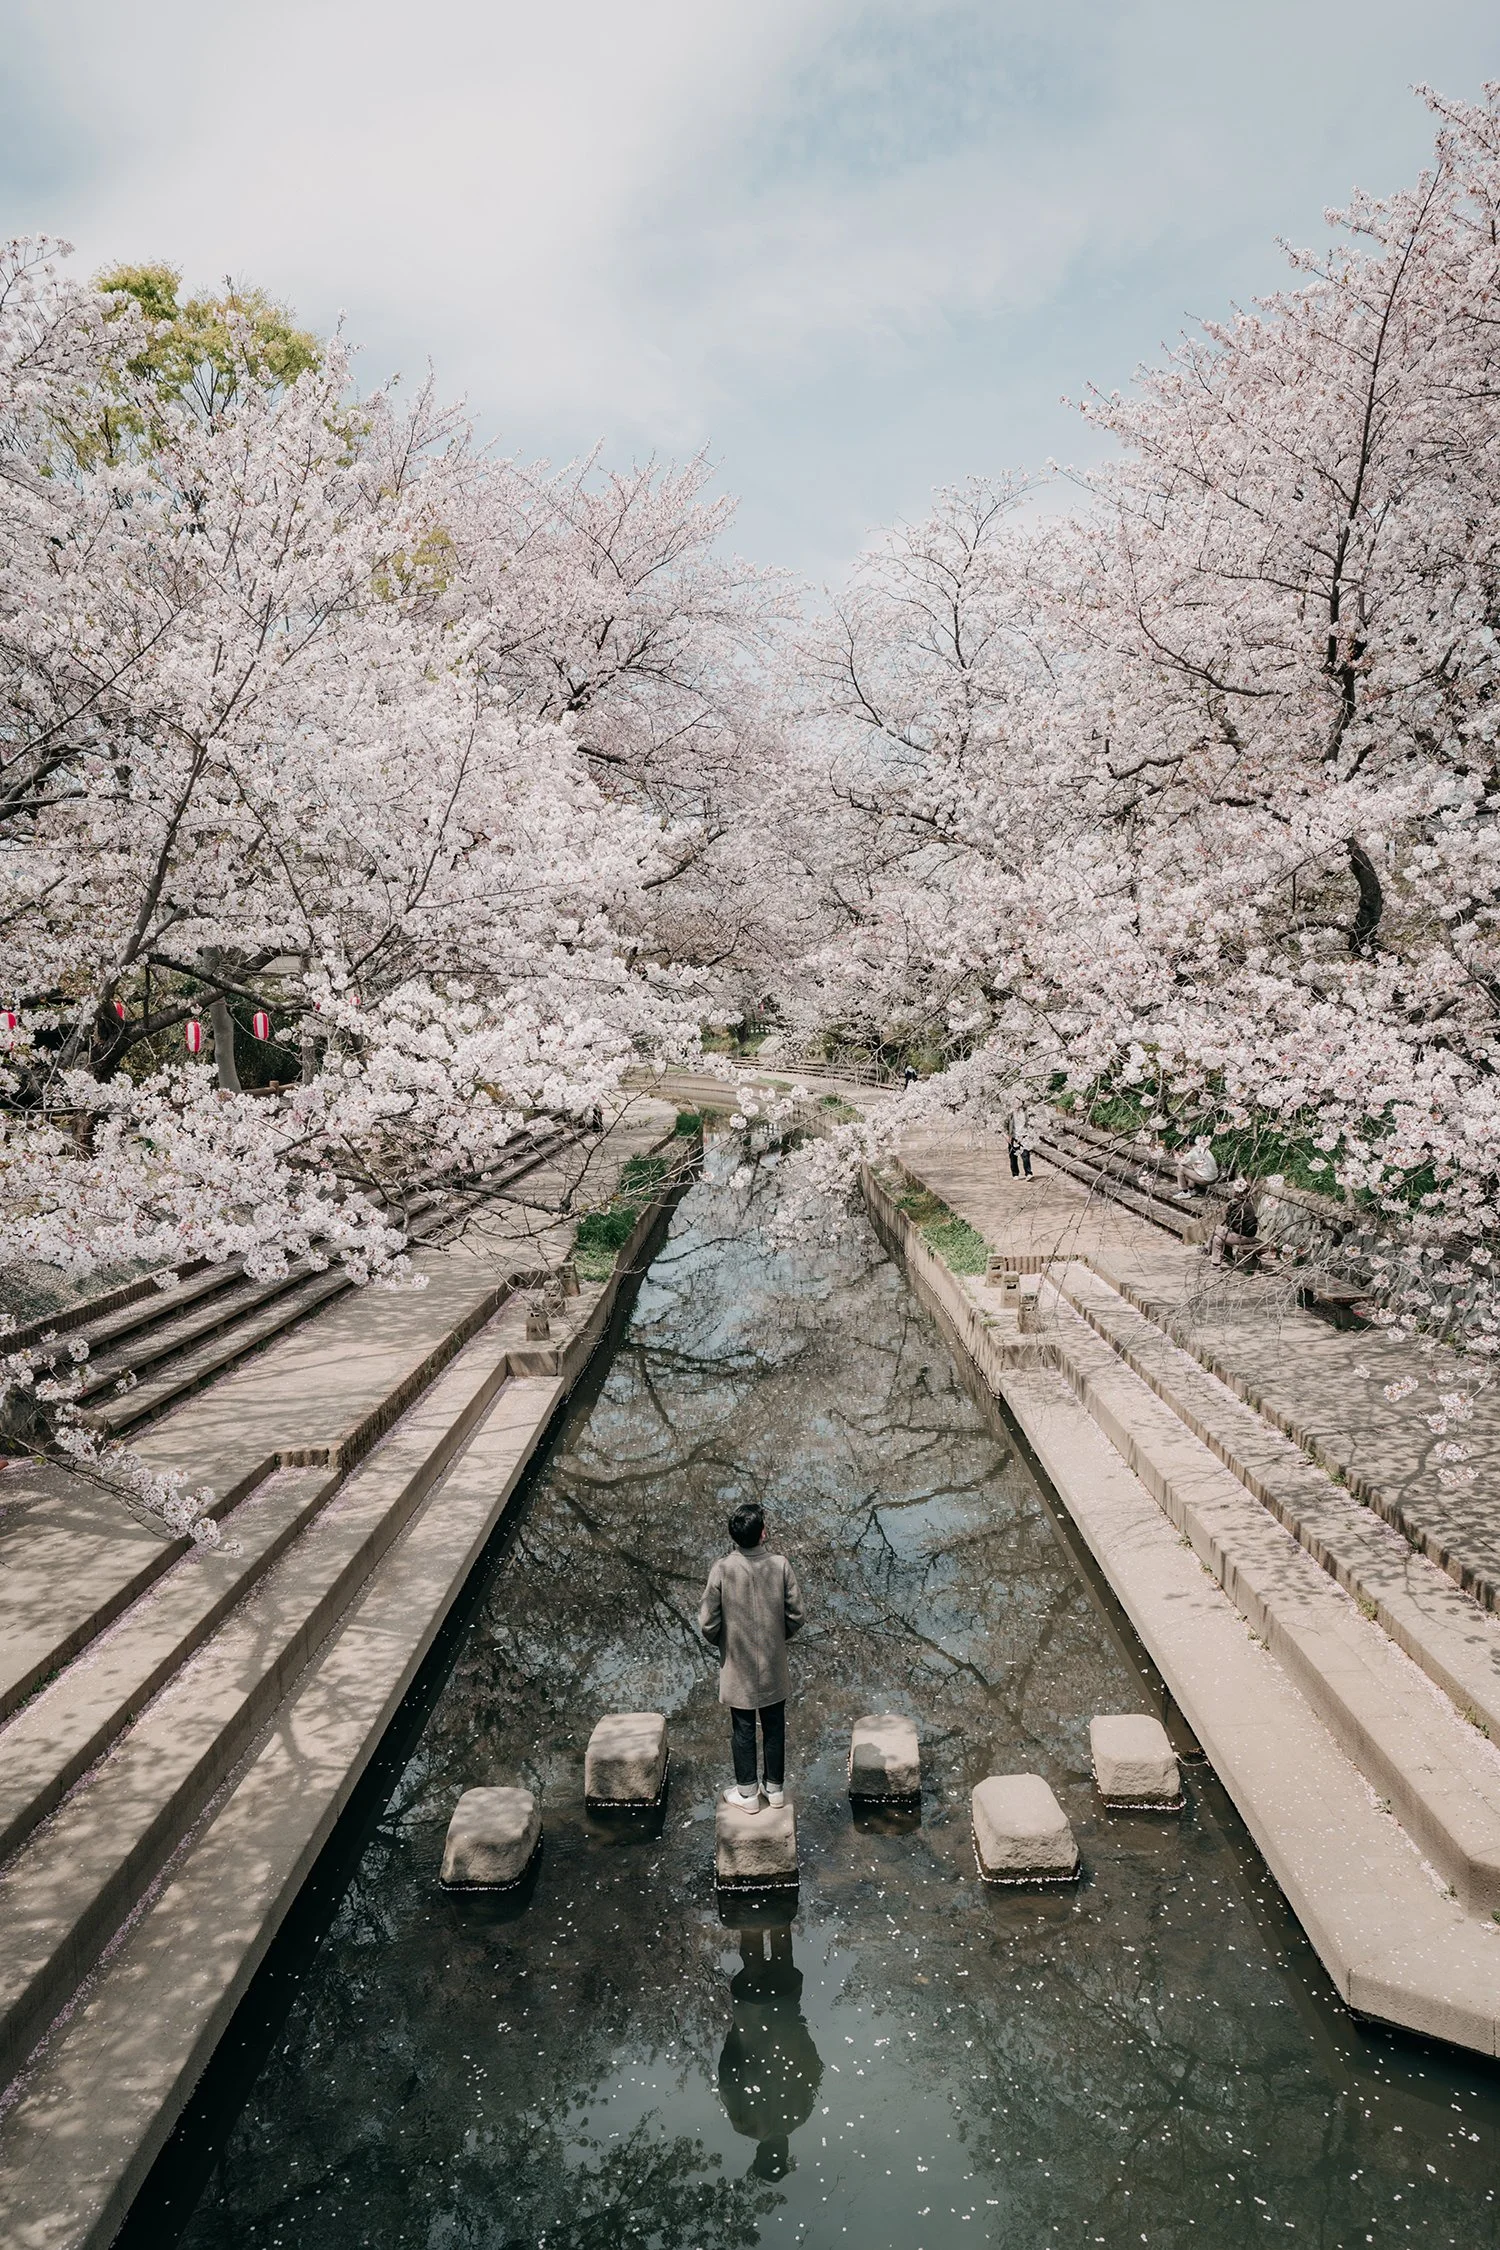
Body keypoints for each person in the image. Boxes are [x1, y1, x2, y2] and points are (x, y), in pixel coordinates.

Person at [699, 1501, 804, 1811]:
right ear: (763, 1533)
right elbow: (796, 1615)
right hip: (772, 1661)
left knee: (742, 1726)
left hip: (738, 1663)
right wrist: (775, 1637)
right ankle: (775, 1790)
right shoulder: (780, 1564)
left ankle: (747, 1794)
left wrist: (725, 1642)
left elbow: (707, 1621)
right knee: (774, 1724)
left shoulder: (722, 1568)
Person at [1007, 1108, 1033, 1179]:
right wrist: (1007, 1136)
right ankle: (1015, 1173)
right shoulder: (1010, 1113)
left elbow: (1029, 1124)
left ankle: (1028, 1173)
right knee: (1013, 1156)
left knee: (1025, 1155)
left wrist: (1025, 1135)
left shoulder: (1026, 1112)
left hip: (1024, 1136)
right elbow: (1006, 1124)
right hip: (1013, 1136)